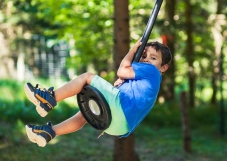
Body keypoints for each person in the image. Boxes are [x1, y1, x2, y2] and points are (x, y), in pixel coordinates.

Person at [24, 40, 172, 147]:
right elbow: (127, 82)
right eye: (143, 56)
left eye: (153, 58)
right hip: (119, 127)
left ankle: (49, 98)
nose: (145, 60)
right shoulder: (147, 79)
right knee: (84, 114)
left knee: (87, 77)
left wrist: (133, 51)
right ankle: (49, 132)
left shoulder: (152, 71)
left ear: (163, 67)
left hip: (121, 109)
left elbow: (122, 70)